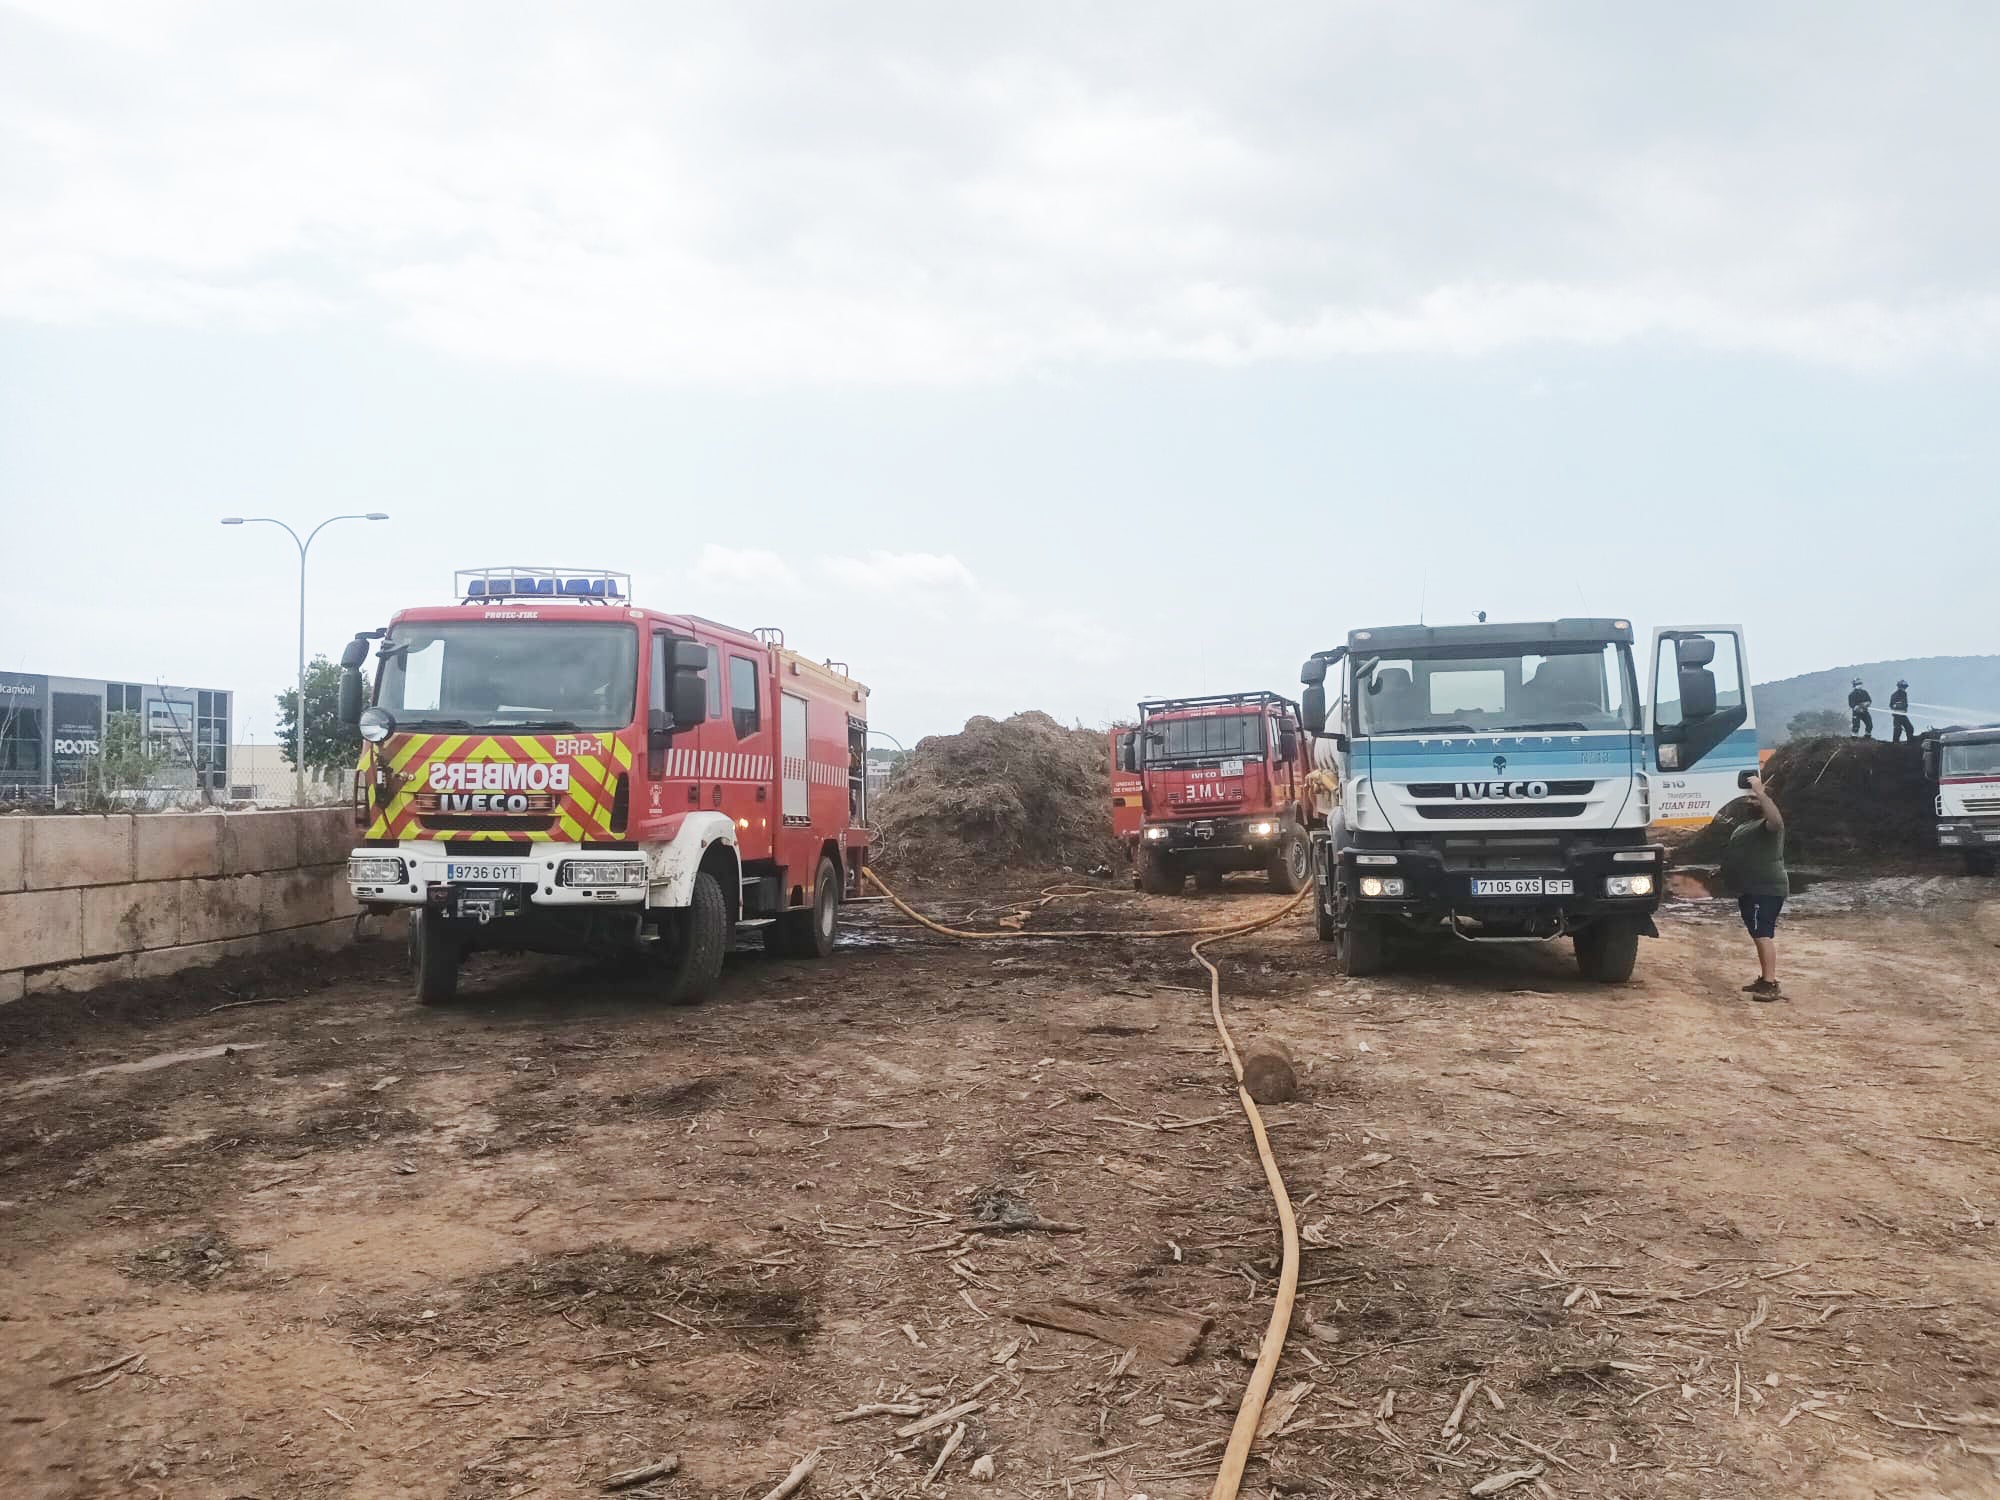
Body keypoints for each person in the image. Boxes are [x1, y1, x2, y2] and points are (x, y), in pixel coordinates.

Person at [1720, 773, 1787, 1001]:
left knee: (1762, 934)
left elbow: (1776, 820)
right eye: (1751, 798)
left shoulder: (1771, 826)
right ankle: (1764, 979)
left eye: (1756, 799)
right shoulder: (1747, 826)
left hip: (1765, 889)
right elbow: (1741, 853)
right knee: (1757, 933)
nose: (1750, 801)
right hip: (1749, 889)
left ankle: (1770, 984)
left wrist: (1761, 791)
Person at [1890, 679, 1915, 743]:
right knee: (1898, 729)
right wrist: (1897, 706)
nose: (1904, 688)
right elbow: (1891, 705)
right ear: (1899, 687)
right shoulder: (1894, 695)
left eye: (1905, 687)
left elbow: (1905, 704)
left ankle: (1910, 742)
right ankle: (1895, 743)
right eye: (1903, 687)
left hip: (1903, 715)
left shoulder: (1904, 694)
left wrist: (1904, 708)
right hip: (1897, 715)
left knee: (1910, 728)